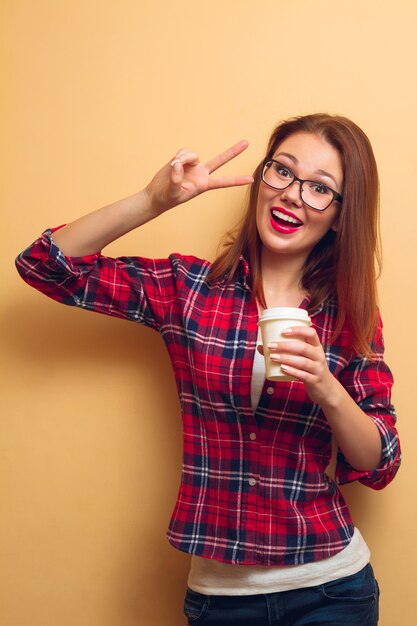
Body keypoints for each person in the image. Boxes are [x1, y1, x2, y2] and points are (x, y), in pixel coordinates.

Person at [16, 113, 401, 625]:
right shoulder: (188, 289)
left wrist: (327, 388)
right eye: (282, 172)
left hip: (332, 590)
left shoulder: (352, 315)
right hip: (221, 598)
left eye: (319, 189)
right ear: (261, 180)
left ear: (339, 215)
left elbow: (380, 460)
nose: (292, 195)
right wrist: (152, 201)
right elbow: (45, 264)